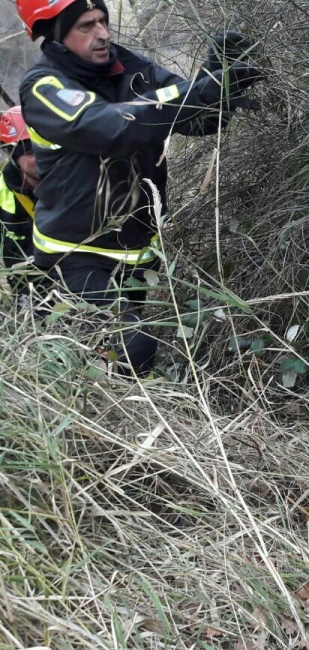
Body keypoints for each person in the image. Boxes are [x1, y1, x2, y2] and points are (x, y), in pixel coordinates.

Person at [16, 0, 263, 375]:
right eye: (86, 26)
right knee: (132, 348)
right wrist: (197, 94)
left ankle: (105, 393)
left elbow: (196, 119)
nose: (102, 33)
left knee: (117, 360)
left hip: (135, 255)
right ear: (56, 34)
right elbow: (110, 127)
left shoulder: (130, 68)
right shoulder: (43, 87)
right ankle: (79, 395)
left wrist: (219, 81)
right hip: (75, 256)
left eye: (103, 20)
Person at [1, 106, 39, 293]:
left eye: (47, 147)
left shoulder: (76, 182)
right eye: (31, 151)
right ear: (13, 155)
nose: (42, 157)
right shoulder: (4, 190)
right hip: (26, 288)